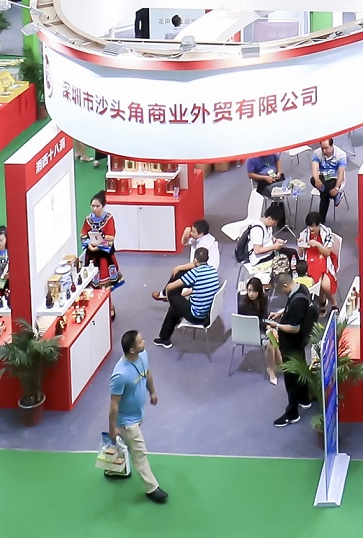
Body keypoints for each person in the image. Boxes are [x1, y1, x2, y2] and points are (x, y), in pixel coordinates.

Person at [105, 328, 168, 503]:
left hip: (138, 413)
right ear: (132, 349)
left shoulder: (143, 356)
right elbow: (114, 404)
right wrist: (112, 429)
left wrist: (152, 391)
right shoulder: (120, 375)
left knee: (126, 444)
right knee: (139, 453)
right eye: (140, 341)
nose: (144, 342)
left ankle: (113, 469)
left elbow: (147, 372)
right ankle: (152, 488)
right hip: (126, 421)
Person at [154, 219, 220, 333]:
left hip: (196, 313)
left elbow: (194, 264)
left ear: (200, 234)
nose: (191, 233)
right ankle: (165, 297)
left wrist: (178, 268)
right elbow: (184, 242)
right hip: (206, 308)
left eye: (193, 232)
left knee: (176, 283)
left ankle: (165, 296)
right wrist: (186, 232)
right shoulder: (201, 238)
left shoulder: (204, 246)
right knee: (177, 295)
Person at [270, 271, 317, 426]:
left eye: (280, 290)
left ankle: (292, 413)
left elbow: (294, 328)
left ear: (285, 285)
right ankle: (304, 399)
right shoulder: (301, 288)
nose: (280, 293)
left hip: (291, 344)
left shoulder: (297, 302)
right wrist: (281, 313)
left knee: (291, 379)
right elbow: (294, 309)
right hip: (300, 343)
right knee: (301, 369)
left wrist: (277, 325)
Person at [298, 212, 342, 300]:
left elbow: (327, 253)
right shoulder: (304, 233)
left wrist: (318, 245)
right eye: (309, 226)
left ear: (318, 225)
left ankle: (333, 303)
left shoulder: (327, 232)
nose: (310, 229)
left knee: (325, 285)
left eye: (313, 227)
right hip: (310, 259)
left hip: (325, 258)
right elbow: (301, 255)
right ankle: (320, 299)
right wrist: (300, 247)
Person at [82, 192, 120, 285]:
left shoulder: (109, 218)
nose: (94, 208)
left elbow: (110, 237)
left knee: (106, 284)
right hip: (91, 255)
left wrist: (97, 247)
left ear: (103, 206)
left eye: (97, 206)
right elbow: (83, 235)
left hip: (104, 255)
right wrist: (89, 245)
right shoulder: (88, 219)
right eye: (93, 206)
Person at [311, 136, 346, 224]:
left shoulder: (341, 155)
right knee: (313, 180)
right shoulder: (317, 153)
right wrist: (317, 180)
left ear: (332, 146)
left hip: (334, 180)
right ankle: (335, 196)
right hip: (323, 178)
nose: (324, 151)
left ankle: (321, 221)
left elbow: (341, 174)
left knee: (324, 196)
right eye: (322, 148)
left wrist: (336, 188)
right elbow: (314, 169)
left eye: (326, 148)